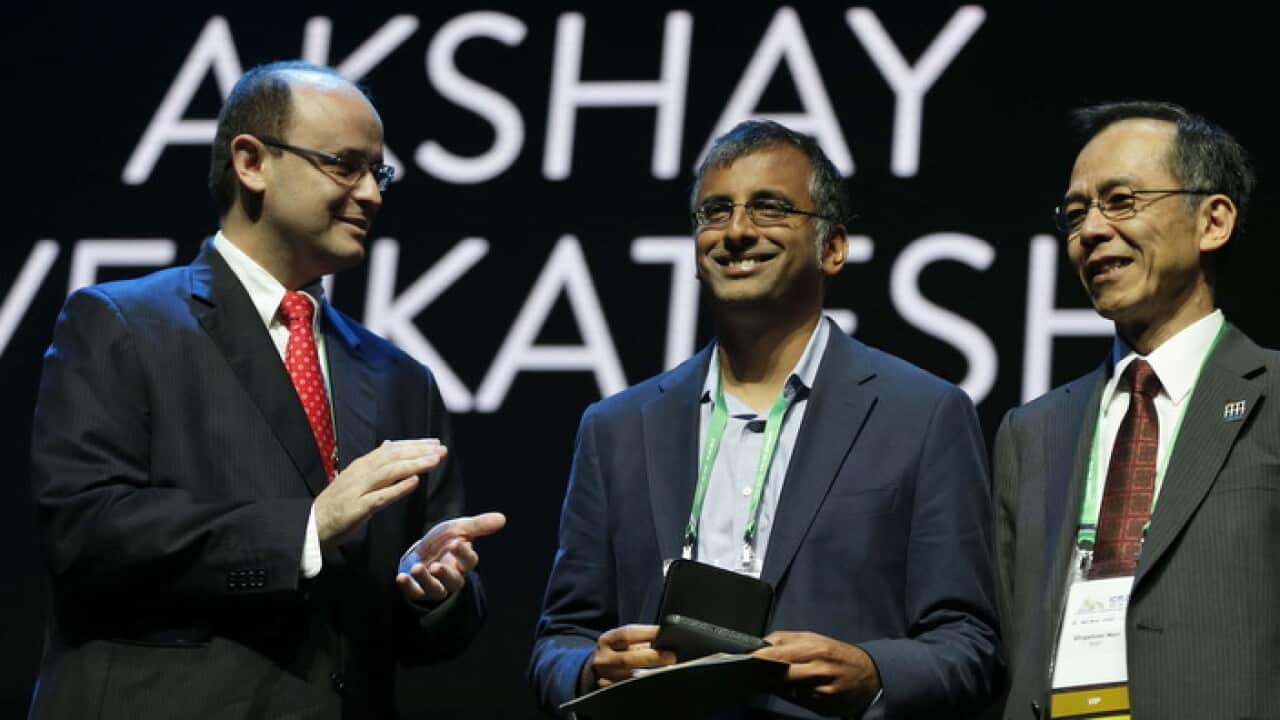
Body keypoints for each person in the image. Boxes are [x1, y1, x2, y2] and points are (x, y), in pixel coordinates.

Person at [28, 61, 505, 719]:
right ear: (251, 162)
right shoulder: (122, 323)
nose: (371, 194)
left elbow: (422, 630)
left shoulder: (400, 380)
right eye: (345, 164)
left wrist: (433, 591)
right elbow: (86, 536)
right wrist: (303, 530)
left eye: (380, 172)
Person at [530, 120, 1001, 719]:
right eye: (715, 212)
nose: (737, 232)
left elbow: (970, 643)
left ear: (832, 248)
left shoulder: (923, 413)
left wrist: (874, 671)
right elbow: (558, 640)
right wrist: (589, 670)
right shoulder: (616, 427)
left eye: (770, 209)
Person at [994, 101, 1274, 719]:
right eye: (1075, 213)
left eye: (1121, 201)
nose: (1090, 230)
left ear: (1213, 221)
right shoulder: (1032, 431)